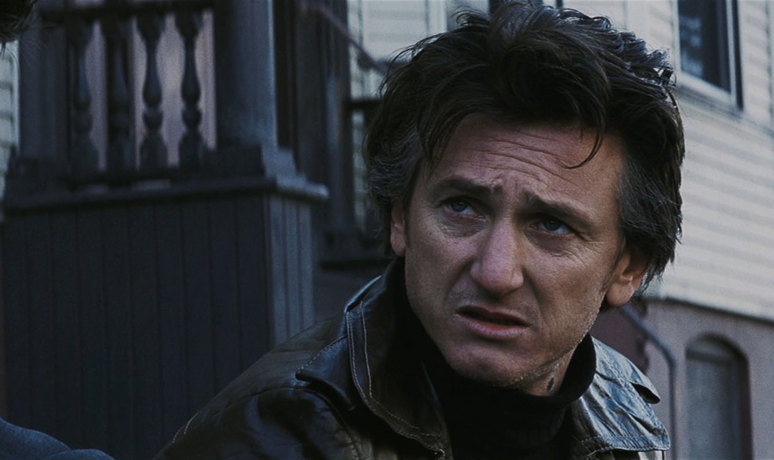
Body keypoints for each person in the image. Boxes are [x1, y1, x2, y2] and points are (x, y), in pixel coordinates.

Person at [156, 1, 683, 459]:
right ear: (400, 217)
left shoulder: (627, 410)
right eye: (463, 207)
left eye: (552, 225)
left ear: (628, 268)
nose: (496, 273)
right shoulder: (286, 431)